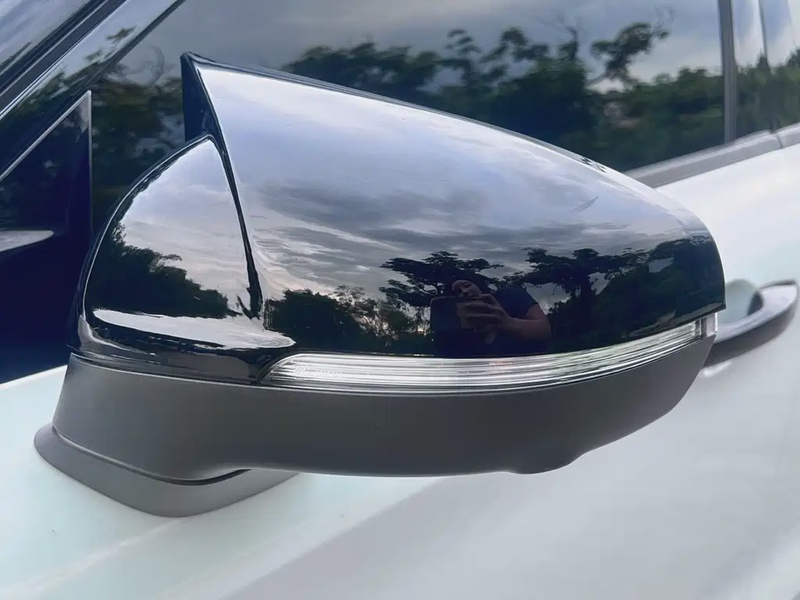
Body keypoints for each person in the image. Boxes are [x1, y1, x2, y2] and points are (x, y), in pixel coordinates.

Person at [431, 273, 552, 357]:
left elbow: (544, 329)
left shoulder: (511, 295)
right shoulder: (452, 326)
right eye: (457, 292)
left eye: (467, 285)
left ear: (478, 285)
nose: (465, 292)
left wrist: (507, 322)